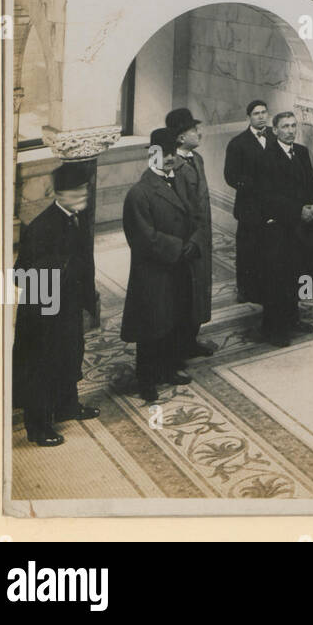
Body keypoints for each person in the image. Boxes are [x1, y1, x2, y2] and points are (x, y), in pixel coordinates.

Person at [12, 162, 101, 446]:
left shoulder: (77, 217)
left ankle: (67, 406)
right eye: (78, 192)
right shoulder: (42, 227)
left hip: (69, 306)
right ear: (61, 194)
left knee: (70, 356)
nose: (84, 197)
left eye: (85, 190)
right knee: (42, 367)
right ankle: (38, 428)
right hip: (45, 312)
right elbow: (21, 273)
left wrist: (87, 300)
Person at [121, 128, 199, 403]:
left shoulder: (176, 183)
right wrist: (179, 248)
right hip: (153, 273)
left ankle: (168, 369)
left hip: (176, 267)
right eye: (162, 154)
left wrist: (192, 241)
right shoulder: (139, 193)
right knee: (152, 327)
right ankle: (147, 380)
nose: (168, 160)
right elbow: (144, 238)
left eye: (170, 154)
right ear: (151, 156)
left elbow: (193, 216)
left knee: (174, 320)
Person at [258, 112, 313, 348]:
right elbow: (269, 196)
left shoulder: (302, 152)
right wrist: (299, 210)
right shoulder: (266, 158)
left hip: (302, 228)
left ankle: (293, 319)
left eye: (293, 125)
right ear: (274, 130)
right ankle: (274, 329)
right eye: (285, 126)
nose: (290, 130)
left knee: (300, 274)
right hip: (281, 229)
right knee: (278, 281)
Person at [166, 107, 215, 358]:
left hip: (203, 238)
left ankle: (191, 340)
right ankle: (181, 345)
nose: (199, 133)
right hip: (190, 241)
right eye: (194, 130)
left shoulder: (197, 159)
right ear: (181, 137)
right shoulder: (174, 166)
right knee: (187, 293)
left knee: (200, 291)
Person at [224, 99, 275, 305]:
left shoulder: (276, 136)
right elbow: (230, 175)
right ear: (249, 117)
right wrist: (254, 186)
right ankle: (245, 289)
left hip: (273, 205)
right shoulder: (238, 143)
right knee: (248, 250)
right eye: (256, 113)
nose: (261, 116)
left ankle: (267, 288)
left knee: (270, 248)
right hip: (249, 206)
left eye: (264, 112)